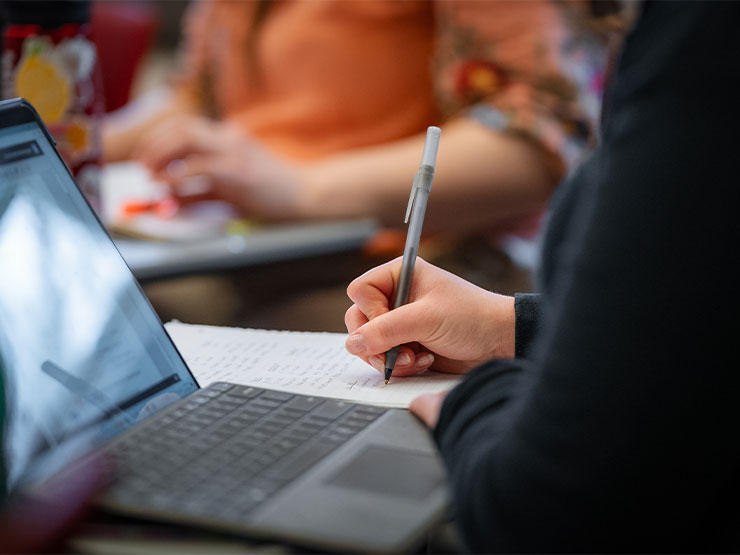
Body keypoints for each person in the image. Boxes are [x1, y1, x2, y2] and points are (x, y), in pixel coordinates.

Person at [344, 2, 740, 551]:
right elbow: (705, 308)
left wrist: (470, 400)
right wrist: (508, 326)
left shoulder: (705, 44)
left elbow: (546, 509)